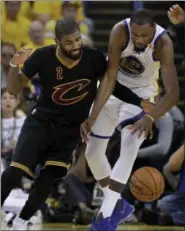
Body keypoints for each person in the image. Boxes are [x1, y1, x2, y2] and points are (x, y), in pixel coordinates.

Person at [1, 18, 150, 230]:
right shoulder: (43, 55)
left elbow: (111, 86)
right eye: (69, 42)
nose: (75, 46)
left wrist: (139, 101)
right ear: (58, 41)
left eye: (78, 40)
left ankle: (21, 220)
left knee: (48, 178)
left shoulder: (93, 57)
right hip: (41, 122)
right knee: (13, 172)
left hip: (71, 130)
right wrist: (16, 65)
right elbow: (14, 90)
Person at [84, 9, 180, 230]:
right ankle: (117, 204)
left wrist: (151, 116)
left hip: (143, 98)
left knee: (128, 147)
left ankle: (105, 218)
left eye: (144, 36)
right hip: (114, 92)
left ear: (153, 30)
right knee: (92, 152)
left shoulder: (163, 43)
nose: (139, 39)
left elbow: (173, 93)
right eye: (136, 34)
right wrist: (93, 115)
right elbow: (109, 77)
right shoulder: (119, 31)